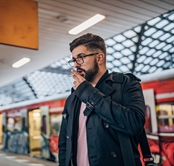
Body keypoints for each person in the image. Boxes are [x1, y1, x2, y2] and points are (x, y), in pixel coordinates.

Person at [58, 33, 146, 166]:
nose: (76, 65)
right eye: (74, 60)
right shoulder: (73, 98)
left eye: (80, 57)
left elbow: (134, 124)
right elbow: (64, 141)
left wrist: (88, 92)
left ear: (99, 57)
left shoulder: (126, 84)